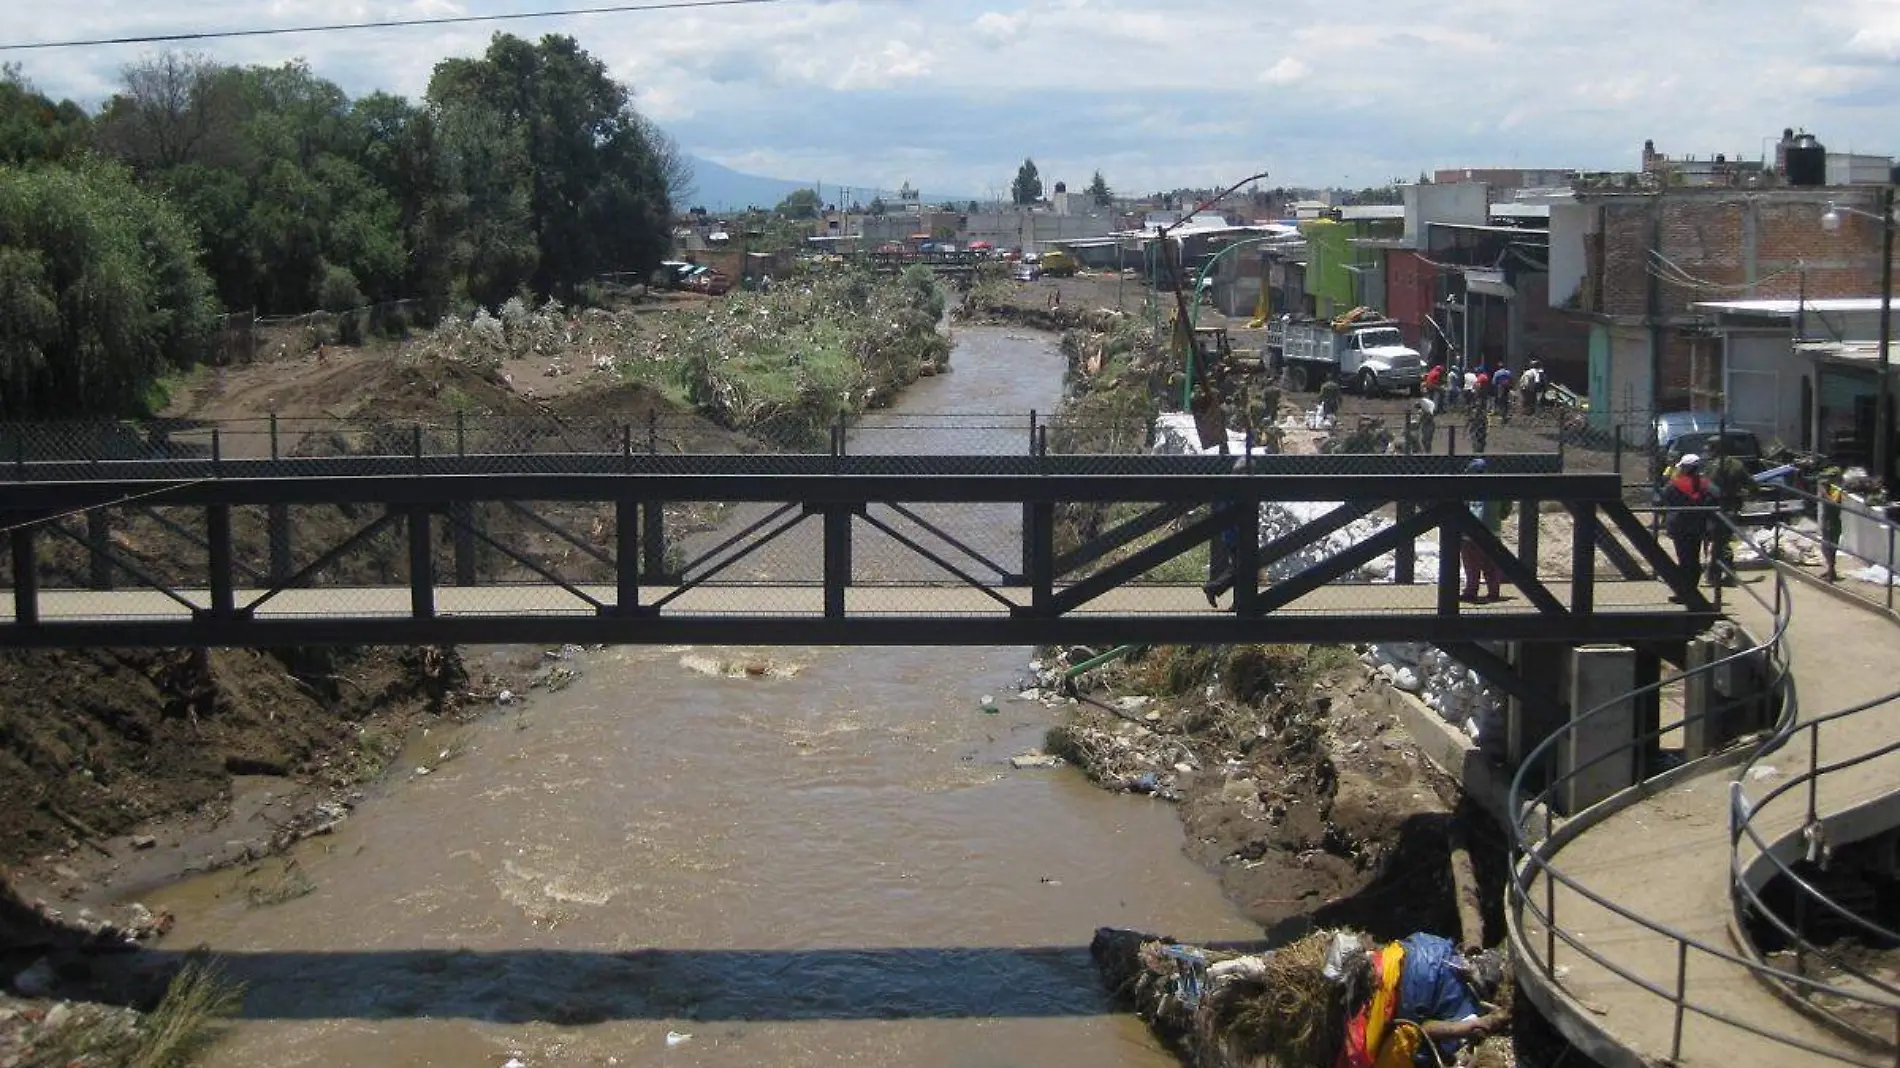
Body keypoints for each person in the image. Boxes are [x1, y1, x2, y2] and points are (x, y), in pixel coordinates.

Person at [1336, 932, 1509, 1068]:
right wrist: (1481, 1025)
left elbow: (1409, 944)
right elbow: (1427, 1029)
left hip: (1398, 963)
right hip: (1403, 989)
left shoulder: (1443, 949)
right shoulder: (1469, 1009)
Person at [1660, 453, 1711, 590]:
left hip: (1679, 525)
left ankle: (1685, 590)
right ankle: (1692, 588)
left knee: (1684, 558)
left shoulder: (1675, 484)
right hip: (1697, 525)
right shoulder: (1705, 483)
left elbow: (1661, 498)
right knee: (1694, 557)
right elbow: (1715, 496)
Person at [1706, 444, 1753, 587]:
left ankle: (1722, 574)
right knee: (1721, 540)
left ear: (1715, 450)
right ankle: (1715, 573)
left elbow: (1706, 485)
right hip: (1731, 506)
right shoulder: (1737, 465)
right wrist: (1749, 492)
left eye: (1709, 450)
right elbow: (1750, 483)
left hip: (1715, 507)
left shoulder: (1711, 467)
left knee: (1720, 542)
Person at [1460, 458, 1506, 602]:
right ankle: (1494, 590)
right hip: (1494, 530)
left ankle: (1471, 590)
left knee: (1472, 563)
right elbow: (1505, 511)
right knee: (1492, 562)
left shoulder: (1467, 489)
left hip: (1471, 534)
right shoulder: (1498, 488)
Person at [1820, 468, 1845, 581]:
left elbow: (1833, 503)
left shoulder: (1836, 490)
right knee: (1825, 547)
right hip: (1826, 519)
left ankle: (1831, 573)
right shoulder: (1828, 487)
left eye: (1830, 477)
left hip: (1833, 521)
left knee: (1830, 548)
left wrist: (1824, 493)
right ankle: (1831, 571)